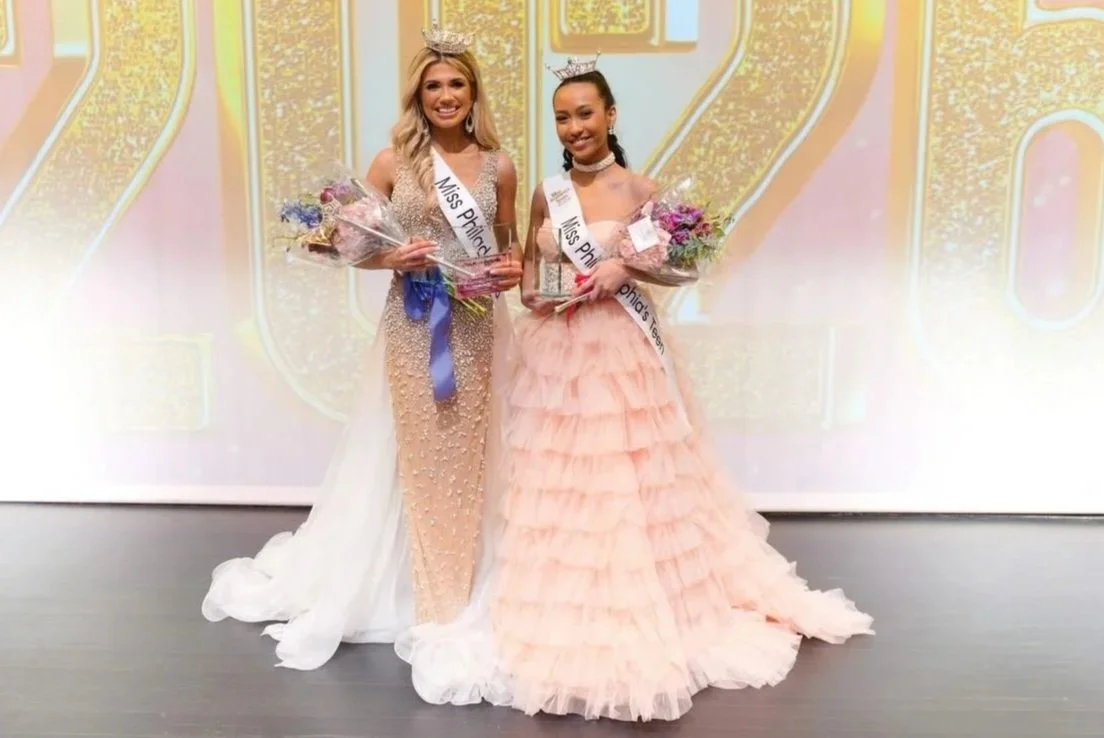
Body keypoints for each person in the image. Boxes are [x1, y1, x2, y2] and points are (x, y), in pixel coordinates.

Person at [394, 59, 873, 721]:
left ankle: (636, 603)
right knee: (557, 485)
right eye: (562, 118)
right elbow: (528, 279)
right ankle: (562, 606)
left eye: (585, 114)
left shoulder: (641, 192)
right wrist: (542, 293)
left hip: (619, 352)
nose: (574, 127)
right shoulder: (546, 194)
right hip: (555, 353)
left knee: (624, 482)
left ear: (610, 116)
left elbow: (677, 268)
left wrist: (621, 269)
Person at [200, 22, 523, 671]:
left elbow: (511, 248)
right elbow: (347, 244)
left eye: (456, 84)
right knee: (418, 450)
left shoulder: (500, 166)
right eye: (433, 86)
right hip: (413, 322)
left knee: (467, 455)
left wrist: (511, 268)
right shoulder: (390, 163)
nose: (446, 95)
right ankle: (420, 589)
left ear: (473, 92)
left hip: (475, 326)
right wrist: (390, 258)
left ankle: (460, 581)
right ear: (418, 96)